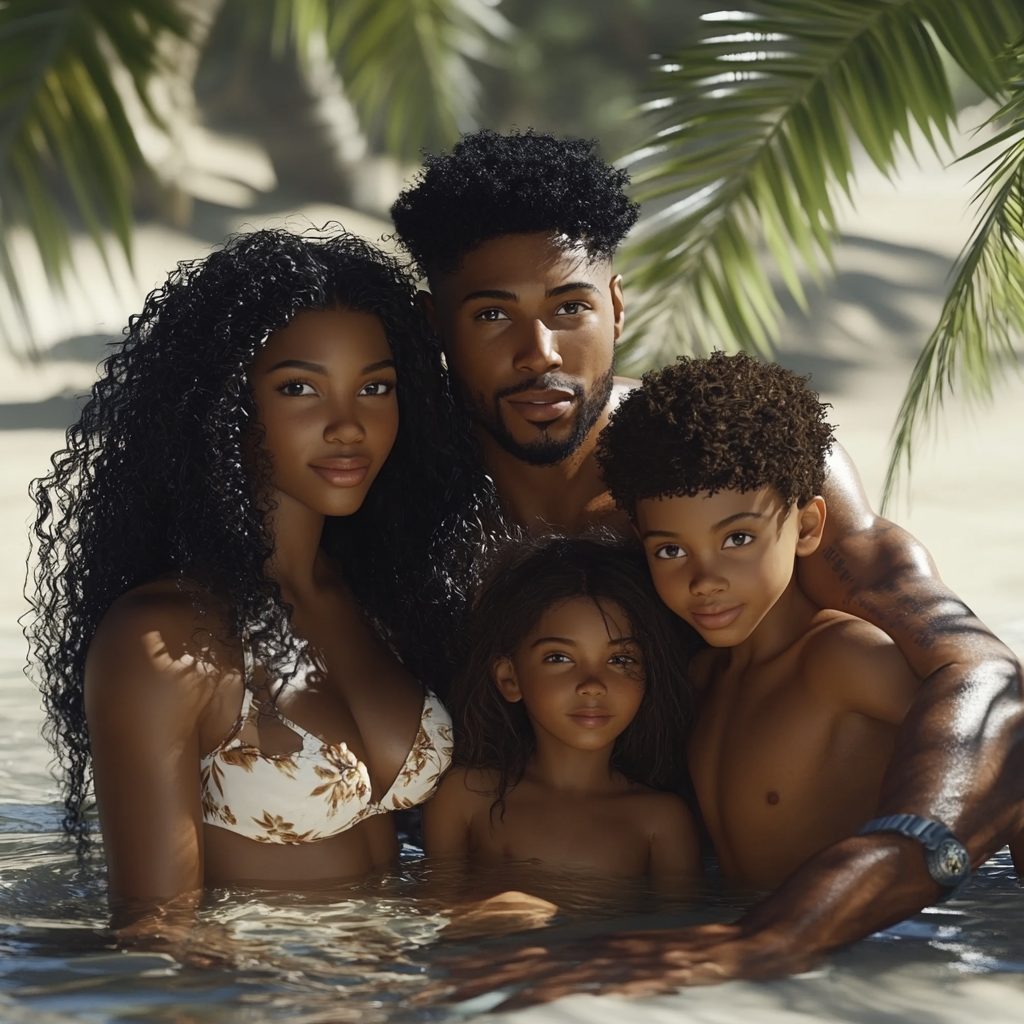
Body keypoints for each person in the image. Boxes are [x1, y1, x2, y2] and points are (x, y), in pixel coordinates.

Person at [390, 129, 1024, 993]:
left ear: (618, 305)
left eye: (570, 307)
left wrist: (900, 856)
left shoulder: (714, 460)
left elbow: (980, 676)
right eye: (493, 314)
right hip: (558, 888)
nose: (539, 353)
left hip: (797, 905)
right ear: (437, 325)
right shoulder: (397, 492)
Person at [25, 228, 499, 939]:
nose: (349, 425)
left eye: (376, 387)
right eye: (300, 388)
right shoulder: (164, 643)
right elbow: (158, 931)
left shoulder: (388, 601)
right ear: (223, 405)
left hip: (399, 988)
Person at [597, 353, 922, 888]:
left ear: (808, 526)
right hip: (751, 951)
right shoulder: (700, 681)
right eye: (671, 551)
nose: (705, 579)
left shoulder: (842, 659)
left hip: (866, 952)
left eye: (738, 539)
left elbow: (1006, 744)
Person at [424, 536, 701, 880]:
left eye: (620, 658)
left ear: (648, 676)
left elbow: (681, 931)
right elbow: (434, 920)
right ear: (510, 678)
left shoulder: (660, 822)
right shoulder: (465, 796)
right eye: (559, 657)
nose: (592, 684)